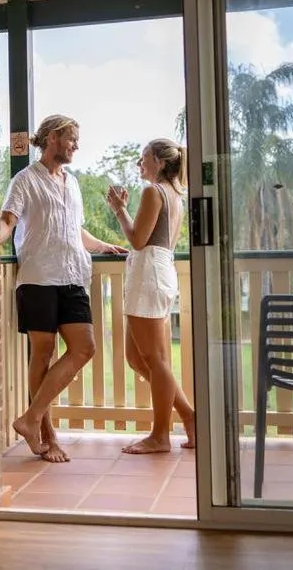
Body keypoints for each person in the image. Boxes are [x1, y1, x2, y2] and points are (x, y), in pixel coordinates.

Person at [0, 114, 127, 463]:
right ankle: (47, 437)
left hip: (73, 276)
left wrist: (103, 246)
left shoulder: (73, 183)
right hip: (39, 276)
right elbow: (9, 219)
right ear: (53, 137)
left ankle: (30, 418)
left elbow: (74, 229)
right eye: (72, 138)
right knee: (43, 353)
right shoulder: (24, 180)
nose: (76, 146)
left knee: (84, 348)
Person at [105, 138, 196, 454]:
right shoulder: (175, 195)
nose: (139, 163)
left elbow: (138, 240)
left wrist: (119, 211)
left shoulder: (153, 191)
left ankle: (160, 436)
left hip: (149, 273)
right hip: (157, 271)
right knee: (136, 357)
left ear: (159, 161)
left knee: (155, 360)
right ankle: (188, 415)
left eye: (143, 158)